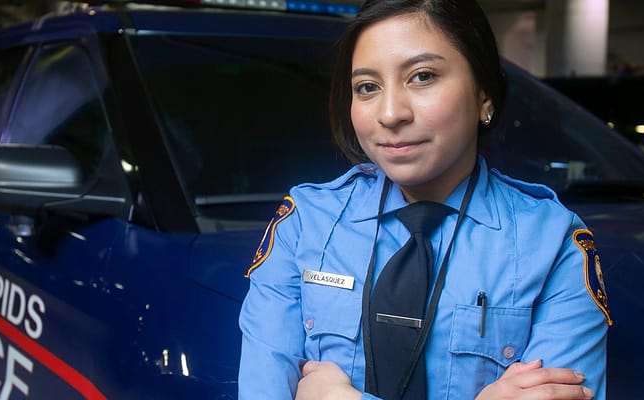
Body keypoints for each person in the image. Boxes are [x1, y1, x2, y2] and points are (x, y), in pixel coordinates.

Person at [238, 0, 611, 399]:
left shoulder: (552, 242)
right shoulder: (305, 224)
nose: (391, 112)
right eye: (367, 87)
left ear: (484, 94)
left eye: (422, 76)